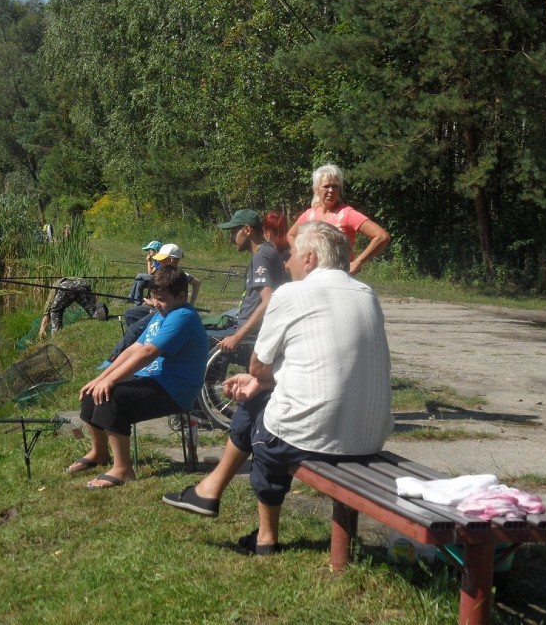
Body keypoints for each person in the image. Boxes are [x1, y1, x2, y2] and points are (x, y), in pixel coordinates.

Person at [163, 221, 393, 555]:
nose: (286, 264)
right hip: (370, 436)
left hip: (317, 436)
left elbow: (258, 366)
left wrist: (258, 380)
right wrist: (263, 380)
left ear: (310, 258)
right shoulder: (366, 294)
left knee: (264, 427)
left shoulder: (291, 293)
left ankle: (263, 534)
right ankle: (210, 490)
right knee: (262, 396)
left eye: (293, 255)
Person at [68, 265, 209, 487]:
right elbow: (135, 348)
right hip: (156, 379)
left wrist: (111, 381)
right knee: (91, 392)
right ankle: (99, 452)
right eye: (154, 298)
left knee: (112, 396)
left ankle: (123, 469)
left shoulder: (183, 316)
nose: (156, 303)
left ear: (181, 296)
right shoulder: (164, 312)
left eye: (160, 299)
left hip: (176, 390)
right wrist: (101, 378)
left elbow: (148, 353)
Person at [99, 243, 201, 368]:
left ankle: (114, 358)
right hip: (157, 307)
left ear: (172, 260)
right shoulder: (162, 273)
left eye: (162, 260)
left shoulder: (180, 276)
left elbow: (197, 283)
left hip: (165, 310)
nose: (159, 262)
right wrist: (153, 301)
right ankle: (138, 344)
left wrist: (190, 303)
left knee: (134, 328)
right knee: (130, 313)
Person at [287, 163, 390, 276]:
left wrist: (358, 262)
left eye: (335, 186)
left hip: (341, 276)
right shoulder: (309, 215)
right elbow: (291, 235)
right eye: (326, 186)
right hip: (313, 277)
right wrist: (300, 255)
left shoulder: (347, 214)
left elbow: (382, 236)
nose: (331, 190)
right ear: (316, 189)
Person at [214, 209, 287, 353]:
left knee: (196, 339)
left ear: (247, 230)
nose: (231, 239)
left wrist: (237, 337)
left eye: (233, 232)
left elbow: (269, 301)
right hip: (243, 326)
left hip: (249, 335)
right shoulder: (266, 252)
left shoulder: (262, 256)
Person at [38, 277, 107, 339]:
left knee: (56, 311)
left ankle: (56, 335)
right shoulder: (72, 279)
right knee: (91, 310)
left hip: (66, 287)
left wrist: (42, 329)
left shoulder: (54, 289)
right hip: (83, 284)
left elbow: (47, 309)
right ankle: (98, 312)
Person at [126, 240, 162, 305]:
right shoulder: (156, 260)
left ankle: (131, 296)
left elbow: (150, 273)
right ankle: (137, 302)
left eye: (150, 251)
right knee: (140, 282)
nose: (148, 253)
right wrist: (151, 263)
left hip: (158, 280)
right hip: (153, 279)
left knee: (139, 275)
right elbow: (151, 271)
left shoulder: (160, 261)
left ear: (156, 251)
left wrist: (148, 261)